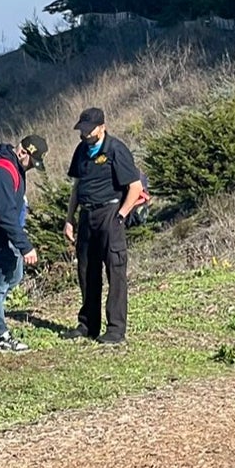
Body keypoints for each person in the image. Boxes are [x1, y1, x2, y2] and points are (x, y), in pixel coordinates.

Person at [64, 108, 145, 346]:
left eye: (89, 129)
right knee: (87, 271)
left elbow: (135, 187)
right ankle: (87, 324)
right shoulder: (81, 151)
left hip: (110, 213)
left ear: (102, 127)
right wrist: (70, 218)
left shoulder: (116, 150)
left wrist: (121, 215)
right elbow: (76, 186)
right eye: (82, 129)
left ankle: (115, 329)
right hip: (87, 215)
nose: (85, 133)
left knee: (115, 272)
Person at [0, 135, 46, 352]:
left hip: (9, 236)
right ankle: (0, 335)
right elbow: (4, 214)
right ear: (23, 152)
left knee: (14, 276)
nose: (32, 167)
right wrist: (25, 246)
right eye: (32, 162)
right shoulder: (1, 171)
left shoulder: (14, 167)